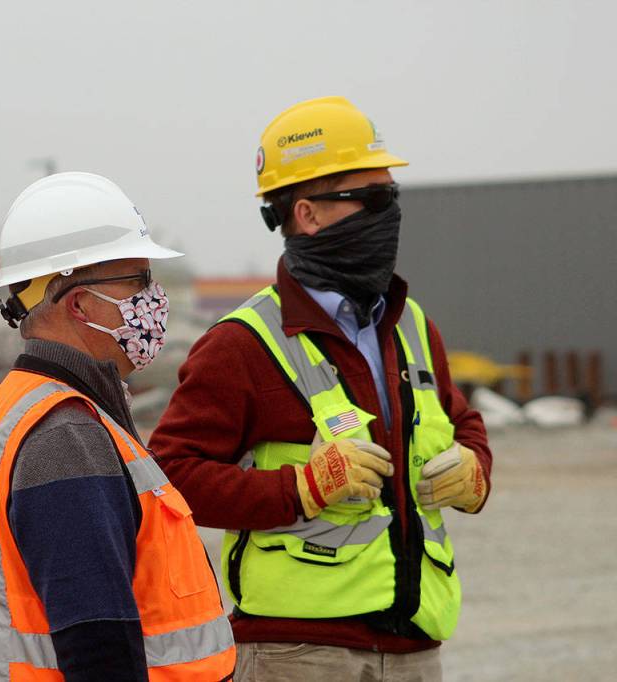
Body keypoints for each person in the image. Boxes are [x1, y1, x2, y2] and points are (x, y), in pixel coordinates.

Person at [148, 96, 493, 681]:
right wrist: (301, 490)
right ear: (306, 214)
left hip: (415, 648)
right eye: (375, 199)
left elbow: (461, 423)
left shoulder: (413, 327)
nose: (391, 216)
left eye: (393, 199)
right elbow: (170, 474)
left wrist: (476, 470)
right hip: (299, 656)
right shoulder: (242, 344)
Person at [0, 172, 236, 681]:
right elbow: (100, 647)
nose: (154, 299)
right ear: (79, 304)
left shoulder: (46, 407)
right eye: (138, 281)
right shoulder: (64, 435)